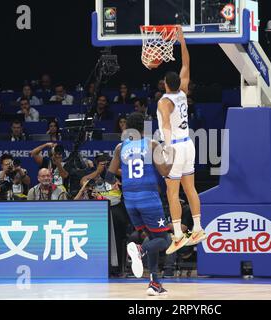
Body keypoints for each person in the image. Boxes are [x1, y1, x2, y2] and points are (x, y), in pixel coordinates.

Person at [106, 112, 175, 295]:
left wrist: (123, 177)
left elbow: (109, 176)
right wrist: (173, 156)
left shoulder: (120, 147)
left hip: (130, 201)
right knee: (166, 240)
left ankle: (154, 283)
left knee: (153, 238)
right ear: (144, 128)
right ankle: (139, 249)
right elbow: (164, 171)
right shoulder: (152, 144)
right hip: (149, 199)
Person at [157, 26, 206, 254]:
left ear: (165, 84)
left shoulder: (164, 101)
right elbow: (186, 64)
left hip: (175, 146)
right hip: (189, 144)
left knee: (172, 193)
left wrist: (166, 147)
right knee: (191, 189)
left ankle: (177, 234)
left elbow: (165, 124)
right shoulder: (184, 90)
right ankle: (197, 228)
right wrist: (182, 42)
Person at [79, 152, 129, 275]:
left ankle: (117, 269)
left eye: (106, 162)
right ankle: (100, 267)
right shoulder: (93, 175)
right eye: (101, 163)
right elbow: (83, 181)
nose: (104, 165)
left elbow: (128, 176)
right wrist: (98, 171)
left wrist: (112, 169)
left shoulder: (118, 174)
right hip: (98, 211)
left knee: (118, 239)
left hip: (116, 208)